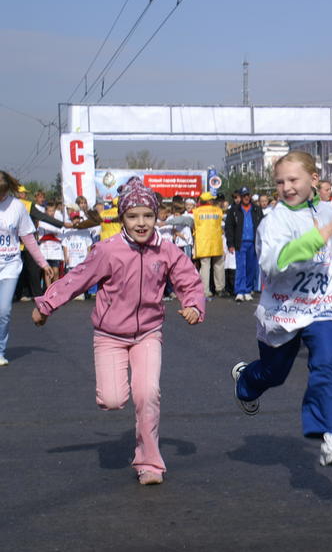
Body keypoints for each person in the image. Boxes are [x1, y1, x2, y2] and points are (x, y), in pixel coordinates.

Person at [32, 179, 205, 485]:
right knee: (112, 399)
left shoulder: (166, 250)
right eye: (133, 216)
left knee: (148, 394)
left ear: (157, 216)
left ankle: (150, 463)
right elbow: (78, 278)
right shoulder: (108, 250)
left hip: (148, 333)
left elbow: (188, 279)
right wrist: (46, 305)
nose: (141, 223)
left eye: (148, 215)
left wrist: (193, 305)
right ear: (122, 218)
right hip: (109, 336)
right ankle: (119, 404)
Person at [230, 151, 332, 467]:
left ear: (314, 179)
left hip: (322, 305)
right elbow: (271, 264)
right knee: (274, 374)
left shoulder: (328, 211)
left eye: (293, 180)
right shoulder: (273, 221)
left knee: (327, 364)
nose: (286, 187)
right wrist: (309, 243)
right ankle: (246, 380)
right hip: (284, 310)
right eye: (280, 182)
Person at [0, 171, 55, 365]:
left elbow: (29, 239)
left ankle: (0, 351)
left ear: (8, 189)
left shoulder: (17, 207)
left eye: (2, 193)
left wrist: (43, 263)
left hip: (9, 265)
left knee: (4, 310)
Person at [224, 187, 263, 301]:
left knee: (251, 268)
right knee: (241, 267)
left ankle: (248, 290)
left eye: (247, 195)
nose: (246, 197)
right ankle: (240, 291)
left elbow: (262, 225)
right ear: (240, 197)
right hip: (240, 243)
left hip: (253, 242)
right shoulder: (234, 210)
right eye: (244, 195)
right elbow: (229, 228)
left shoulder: (256, 209)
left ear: (250, 196)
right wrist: (230, 244)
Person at [193, 192, 225, 298]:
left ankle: (205, 290)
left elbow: (194, 226)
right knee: (219, 265)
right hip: (216, 241)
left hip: (203, 242)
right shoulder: (218, 211)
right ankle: (220, 288)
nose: (213, 201)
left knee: (205, 266)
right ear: (209, 201)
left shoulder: (196, 212)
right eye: (212, 199)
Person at [61, 211, 94, 298]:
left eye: (77, 218)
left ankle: (81, 293)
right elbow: (65, 245)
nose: (76, 220)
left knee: (82, 277)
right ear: (71, 220)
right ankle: (71, 293)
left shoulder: (85, 230)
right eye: (74, 219)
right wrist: (65, 257)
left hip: (82, 258)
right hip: (71, 258)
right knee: (71, 277)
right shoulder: (67, 231)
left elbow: (89, 245)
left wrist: (88, 257)